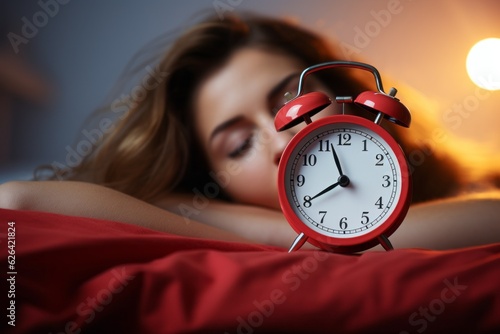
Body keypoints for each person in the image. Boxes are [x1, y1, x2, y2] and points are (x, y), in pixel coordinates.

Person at [1, 12, 499, 250]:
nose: (284, 140)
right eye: (238, 145)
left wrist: (289, 229)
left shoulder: (475, 186)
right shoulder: (215, 215)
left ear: (345, 93)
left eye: (294, 102)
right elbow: (17, 200)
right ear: (214, 188)